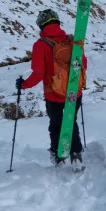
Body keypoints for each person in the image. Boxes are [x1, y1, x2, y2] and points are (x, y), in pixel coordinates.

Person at [17, 9, 87, 164]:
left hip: (53, 94)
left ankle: (57, 155)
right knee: (71, 121)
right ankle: (76, 155)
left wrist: (23, 85)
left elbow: (38, 74)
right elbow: (84, 64)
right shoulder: (71, 40)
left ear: (42, 25)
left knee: (56, 124)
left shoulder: (40, 45)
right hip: (74, 92)